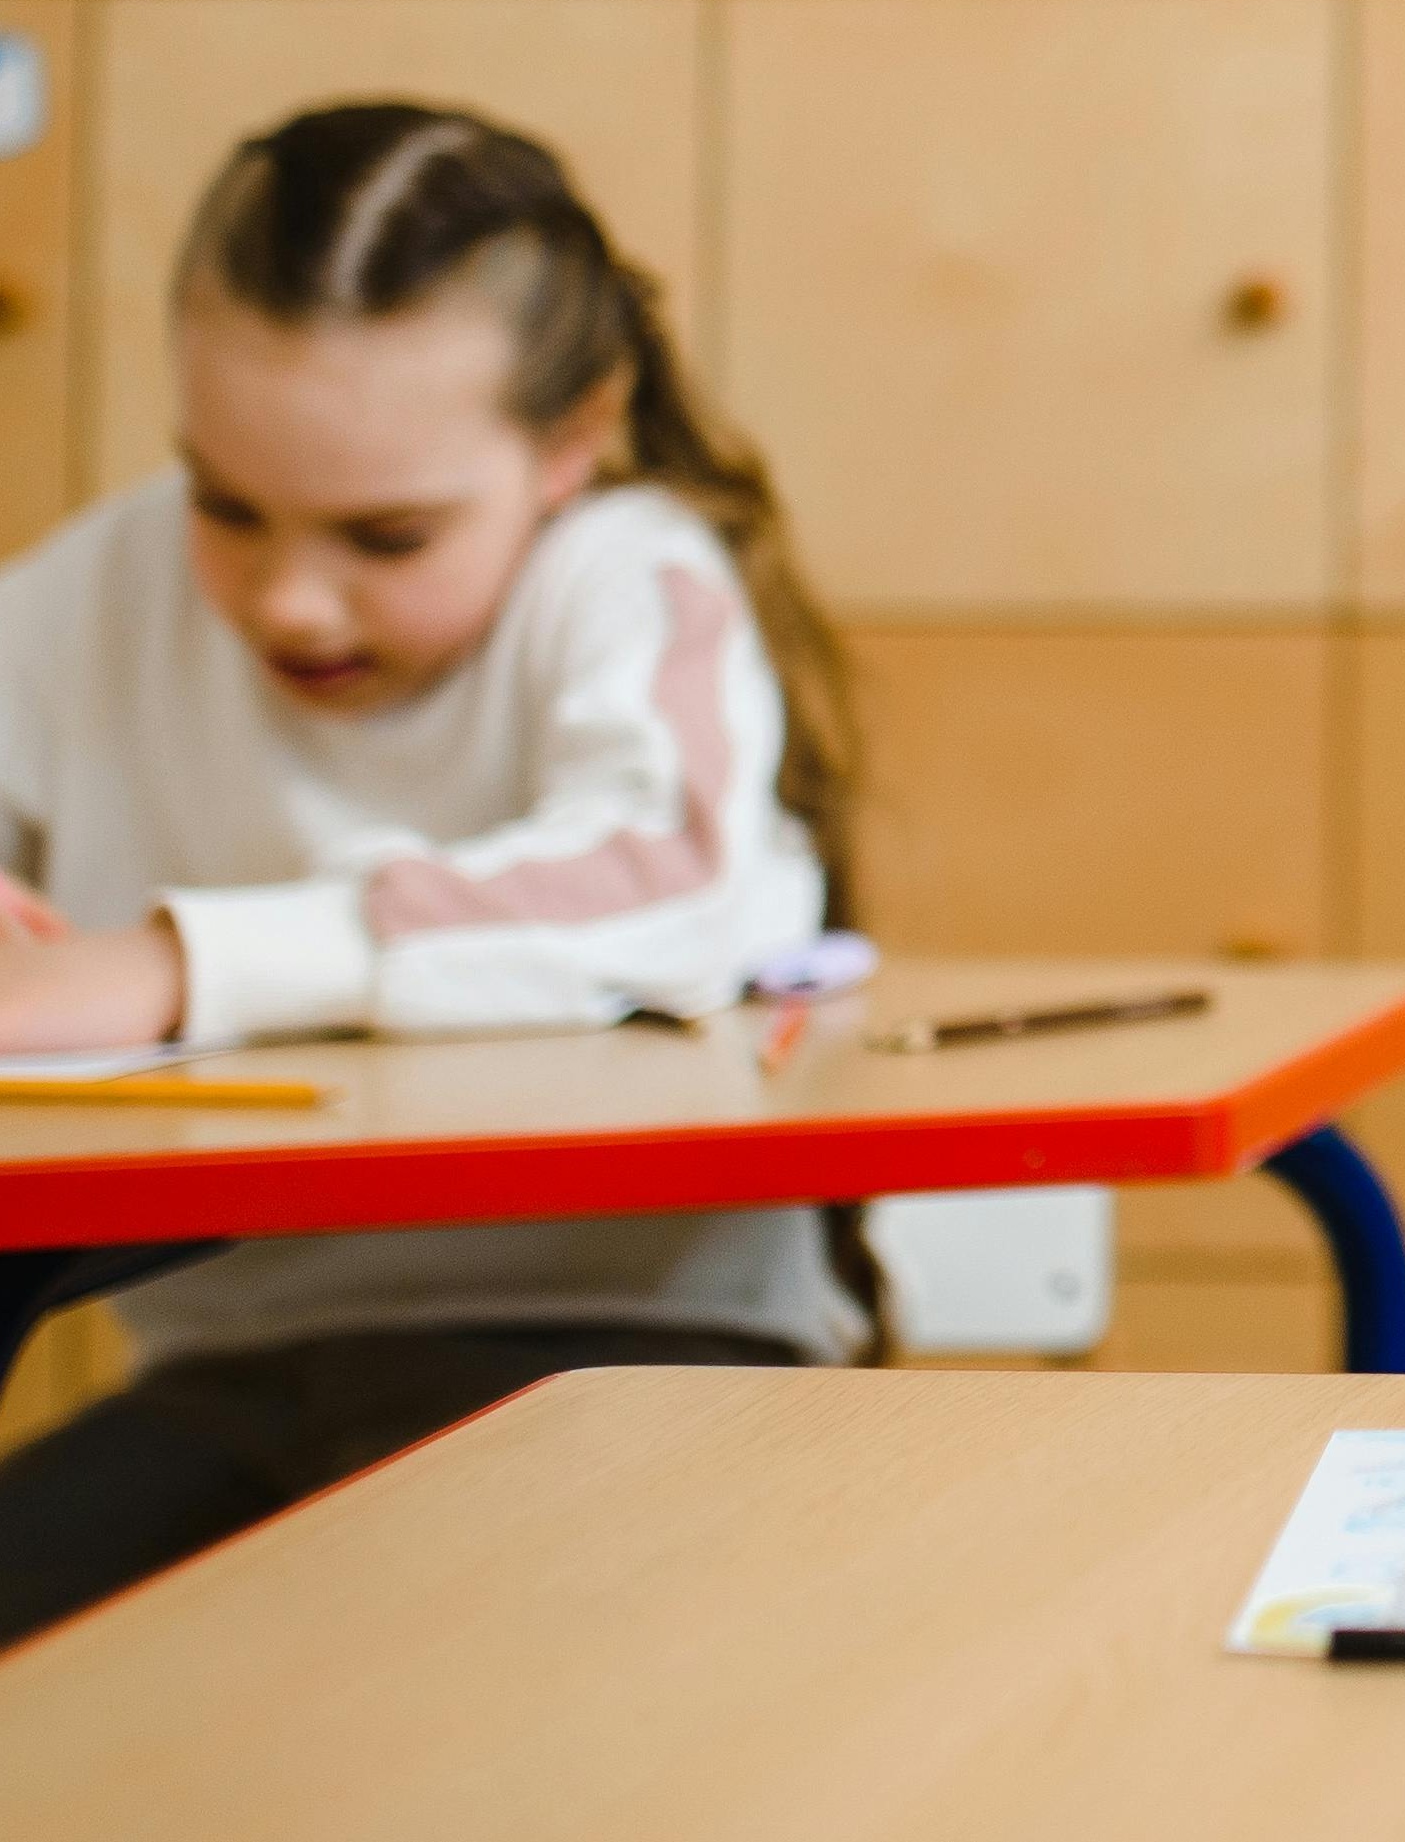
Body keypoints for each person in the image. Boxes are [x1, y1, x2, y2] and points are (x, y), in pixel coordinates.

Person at [0, 104, 861, 1645]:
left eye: (385, 533)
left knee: (441, 1699)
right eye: (225, 502)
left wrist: (171, 963)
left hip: (641, 1352)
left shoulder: (629, 573)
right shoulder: (101, 586)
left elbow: (675, 878)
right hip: (237, 1377)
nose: (292, 597)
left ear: (571, 439)